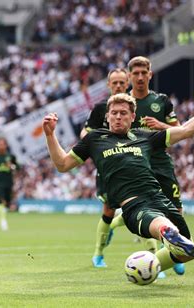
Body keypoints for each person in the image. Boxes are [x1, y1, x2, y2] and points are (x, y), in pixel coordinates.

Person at [42, 93, 194, 275]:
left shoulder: (145, 137)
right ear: (107, 116)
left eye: (123, 113)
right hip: (134, 205)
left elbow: (186, 130)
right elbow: (63, 164)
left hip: (160, 199)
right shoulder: (95, 139)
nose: (118, 117)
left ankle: (148, 267)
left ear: (132, 117)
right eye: (114, 113)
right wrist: (50, 135)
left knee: (189, 250)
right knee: (161, 224)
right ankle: (166, 232)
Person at [109, 56, 186, 274]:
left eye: (144, 73)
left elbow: (178, 130)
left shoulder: (161, 101)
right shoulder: (123, 103)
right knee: (146, 211)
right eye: (136, 73)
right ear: (129, 76)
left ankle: (173, 250)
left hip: (161, 162)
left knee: (176, 209)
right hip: (135, 164)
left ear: (150, 74)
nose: (140, 77)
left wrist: (161, 125)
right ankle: (156, 261)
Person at [80, 68, 129, 268]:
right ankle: (98, 254)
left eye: (121, 82)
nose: (118, 86)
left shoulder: (135, 107)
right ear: (109, 85)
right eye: (114, 82)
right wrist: (95, 144)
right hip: (109, 167)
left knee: (142, 207)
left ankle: (154, 259)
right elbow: (86, 132)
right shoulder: (101, 109)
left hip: (135, 165)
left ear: (128, 84)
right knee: (108, 210)